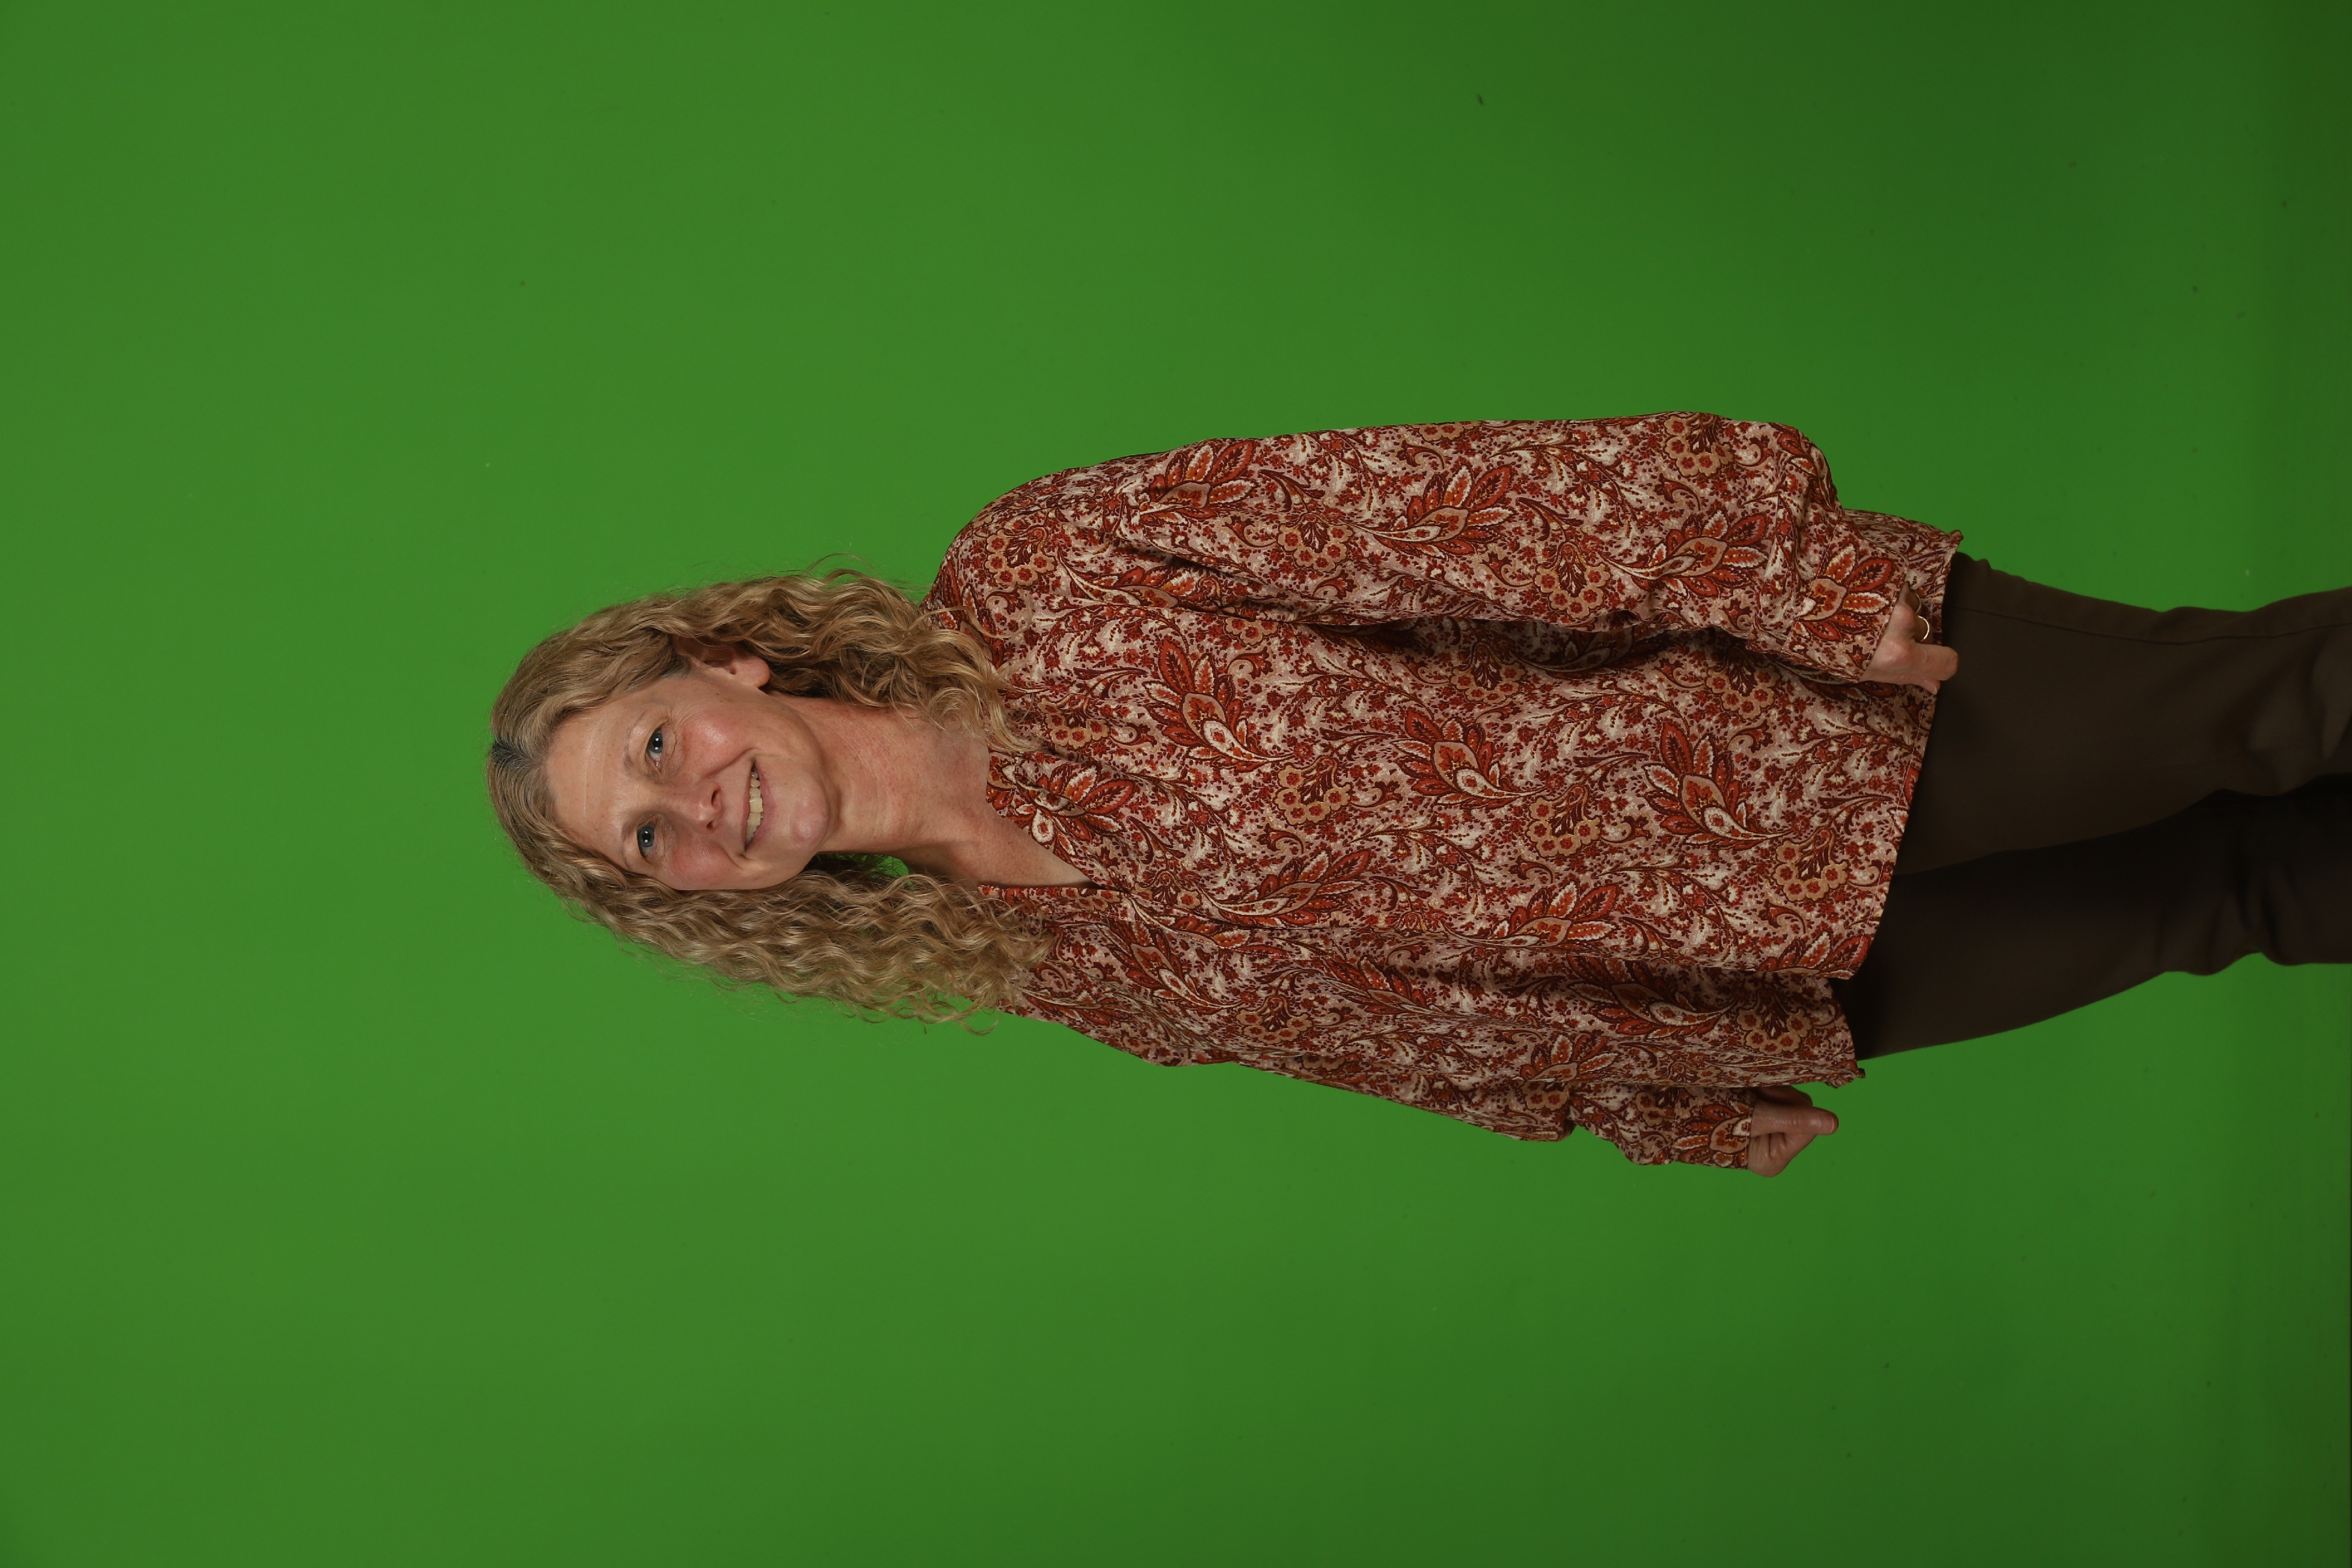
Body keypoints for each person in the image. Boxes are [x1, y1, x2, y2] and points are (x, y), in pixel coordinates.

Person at [487, 415, 2352, 1175]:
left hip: (1797, 735)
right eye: (647, 843)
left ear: (723, 666)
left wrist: (1794, 584)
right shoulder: (1026, 961)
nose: (695, 806)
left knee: (2282, 711)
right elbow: (1375, 1041)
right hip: (1734, 985)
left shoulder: (1044, 568)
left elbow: (1459, 511)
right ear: (693, 902)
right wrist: (1651, 1111)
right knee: (2236, 901)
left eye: (654, 749)